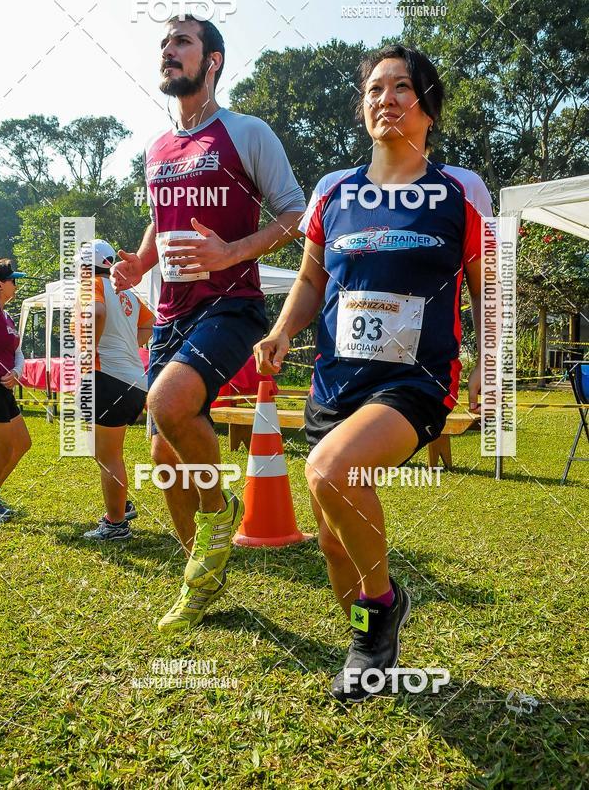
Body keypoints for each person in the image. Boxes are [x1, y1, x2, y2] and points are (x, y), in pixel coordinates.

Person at [254, 44, 493, 703]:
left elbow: (485, 287)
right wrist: (279, 333)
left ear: (428, 108)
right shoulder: (334, 190)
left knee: (332, 470)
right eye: (374, 90)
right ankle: (371, 649)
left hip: (414, 381)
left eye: (401, 89)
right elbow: (310, 281)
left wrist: (487, 371)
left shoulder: (460, 189)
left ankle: (382, 612)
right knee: (334, 547)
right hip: (335, 382)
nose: (385, 99)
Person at [110, 14, 305, 631]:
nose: (168, 52)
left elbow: (294, 216)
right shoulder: (157, 149)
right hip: (171, 310)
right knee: (162, 450)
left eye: (182, 43)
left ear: (212, 61)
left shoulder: (247, 133)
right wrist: (142, 259)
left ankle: (220, 518)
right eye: (164, 44)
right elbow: (161, 219)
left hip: (232, 305)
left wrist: (230, 252)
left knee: (168, 404)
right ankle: (200, 572)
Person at [74, 240, 155, 541]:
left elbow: (94, 313)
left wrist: (90, 350)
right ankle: (121, 506)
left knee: (106, 456)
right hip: (133, 379)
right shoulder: (127, 294)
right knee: (108, 454)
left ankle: (116, 524)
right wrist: (126, 348)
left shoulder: (90, 284)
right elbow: (150, 325)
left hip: (104, 376)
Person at [0, 260, 32, 526]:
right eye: (12, 280)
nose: (16, 284)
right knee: (3, 452)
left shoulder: (6, 315)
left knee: (23, 444)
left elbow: (18, 352)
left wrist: (16, 372)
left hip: (3, 388)